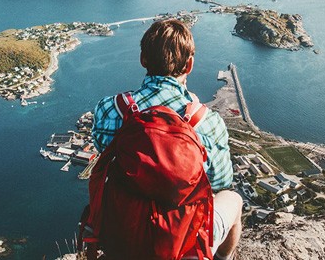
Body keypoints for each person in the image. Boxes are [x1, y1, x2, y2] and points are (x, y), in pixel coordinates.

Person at [93, 18, 242, 260]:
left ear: (143, 60)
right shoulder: (207, 121)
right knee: (233, 199)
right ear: (190, 65)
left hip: (123, 232)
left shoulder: (111, 108)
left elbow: (104, 153)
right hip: (182, 240)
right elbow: (221, 180)